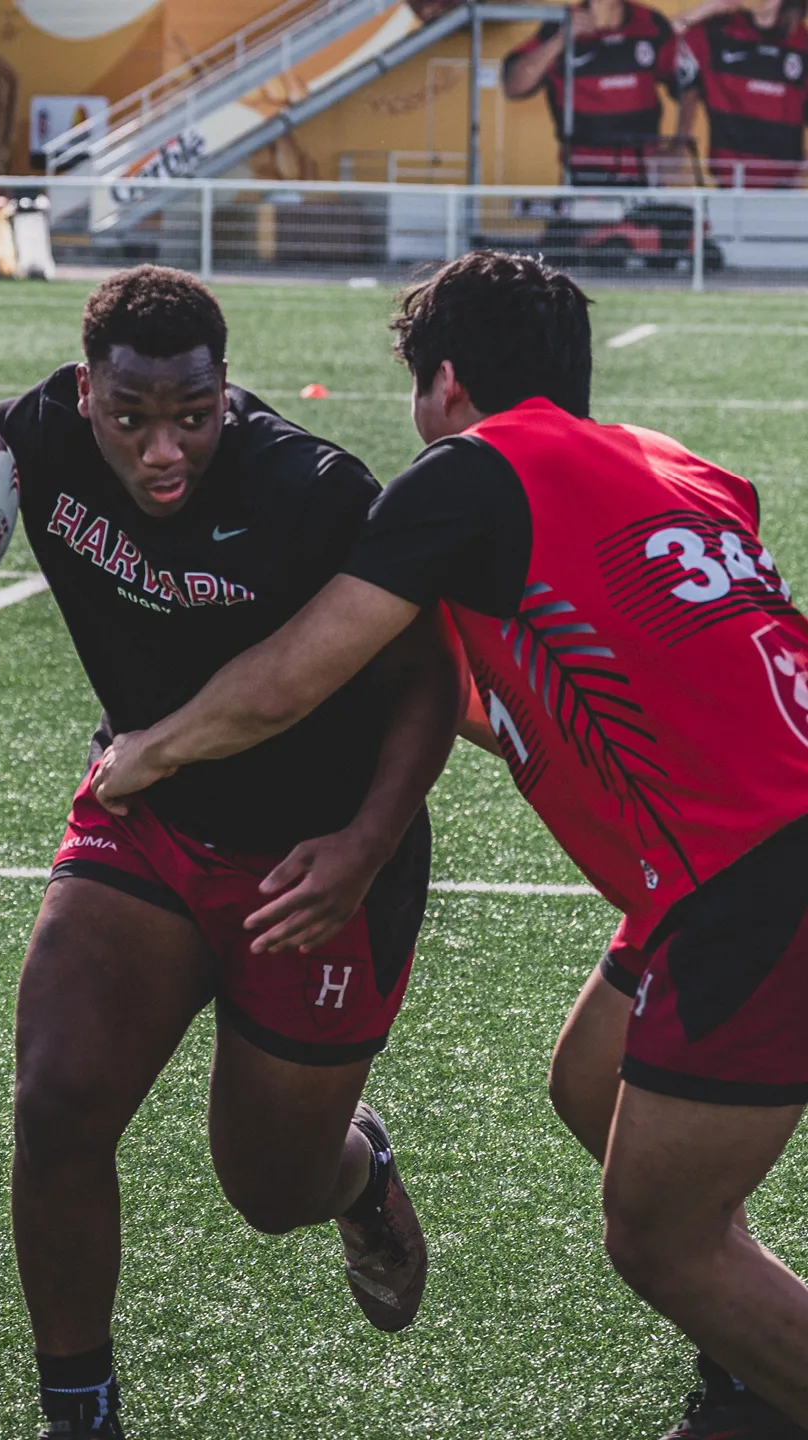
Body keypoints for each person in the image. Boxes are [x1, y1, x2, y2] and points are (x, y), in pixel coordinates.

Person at [92, 251, 808, 1440]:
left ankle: (767, 1378)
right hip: (734, 860)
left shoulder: (473, 471)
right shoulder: (675, 467)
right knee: (592, 1085)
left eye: (418, 388)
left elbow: (293, 676)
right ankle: (753, 1362)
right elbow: (555, 686)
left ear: (449, 383)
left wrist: (149, 752)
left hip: (756, 874)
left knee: (658, 1239)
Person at [0, 265, 464, 1440]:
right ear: (87, 391)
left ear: (225, 388)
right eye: (133, 417)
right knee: (56, 1108)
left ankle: (359, 1173)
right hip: (142, 815)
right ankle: (79, 1412)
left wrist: (364, 846)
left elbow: (428, 680)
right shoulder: (31, 438)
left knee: (271, 1190)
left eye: (194, 416)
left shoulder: (309, 488)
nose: (164, 449)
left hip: (312, 862)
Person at [502, 0, 698, 184]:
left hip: (643, 177)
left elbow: (689, 83)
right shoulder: (561, 24)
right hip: (582, 178)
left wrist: (679, 147)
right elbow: (514, 86)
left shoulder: (651, 24)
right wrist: (560, 40)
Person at [676, 0, 808, 186]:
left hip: (784, 188)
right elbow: (663, 39)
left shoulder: (802, 43)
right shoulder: (717, 32)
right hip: (728, 183)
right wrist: (706, 9)